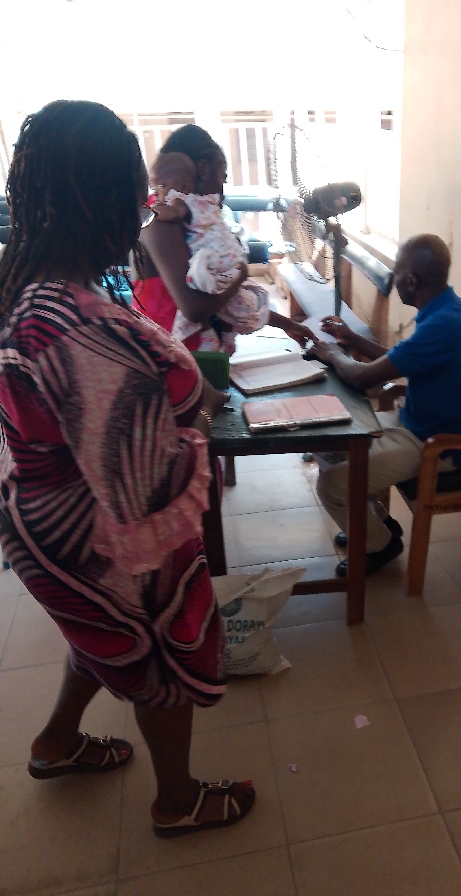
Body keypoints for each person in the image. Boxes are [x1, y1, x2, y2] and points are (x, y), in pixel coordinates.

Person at [0, 100, 255, 837]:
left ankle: (56, 743)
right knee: (158, 652)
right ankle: (177, 800)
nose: (145, 203)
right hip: (97, 535)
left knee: (102, 632)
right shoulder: (77, 328)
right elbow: (143, 500)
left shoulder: (31, 289)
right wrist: (199, 420)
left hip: (44, 517)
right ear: (104, 200)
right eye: (133, 189)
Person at [312, 234, 461, 577]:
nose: (392, 278)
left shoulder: (443, 324)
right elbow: (400, 359)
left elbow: (363, 378)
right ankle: (376, 524)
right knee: (327, 443)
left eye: (397, 272)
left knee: (332, 485)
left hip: (438, 445)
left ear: (412, 282)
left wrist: (332, 354)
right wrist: (351, 339)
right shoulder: (445, 308)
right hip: (415, 423)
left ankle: (380, 545)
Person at [136, 124, 315, 350]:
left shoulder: (194, 220)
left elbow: (225, 298)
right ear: (203, 170)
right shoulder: (161, 220)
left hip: (194, 353)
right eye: (223, 175)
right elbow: (194, 310)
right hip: (168, 355)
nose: (223, 187)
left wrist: (286, 324)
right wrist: (240, 276)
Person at [149, 151, 270, 355]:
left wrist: (148, 211)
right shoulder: (208, 202)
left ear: (184, 185)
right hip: (231, 254)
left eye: (160, 186)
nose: (157, 193)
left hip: (215, 258)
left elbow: (194, 310)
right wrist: (240, 275)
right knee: (231, 298)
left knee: (197, 283)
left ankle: (207, 335)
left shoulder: (178, 200)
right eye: (154, 188)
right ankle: (228, 335)